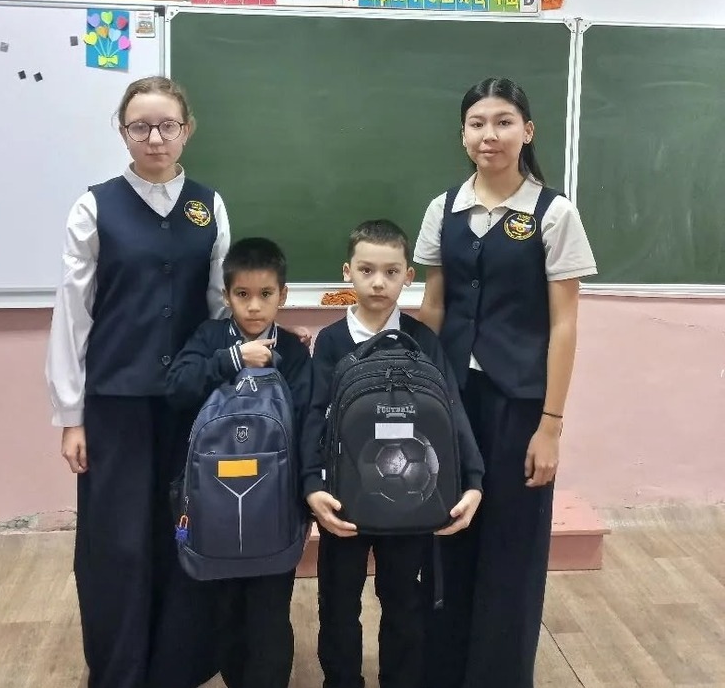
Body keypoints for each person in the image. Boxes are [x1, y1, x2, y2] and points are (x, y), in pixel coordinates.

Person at [45, 75, 230, 688]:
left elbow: (219, 306)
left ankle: (180, 664)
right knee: (117, 541)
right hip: (115, 403)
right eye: (140, 126)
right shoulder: (95, 206)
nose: (155, 138)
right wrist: (71, 416)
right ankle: (120, 668)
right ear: (122, 132)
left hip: (189, 403)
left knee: (185, 528)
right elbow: (73, 315)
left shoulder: (209, 205)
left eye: (167, 125)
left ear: (187, 130)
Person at [414, 77, 598, 688]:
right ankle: (443, 672)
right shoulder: (443, 209)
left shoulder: (554, 213)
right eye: (477, 123)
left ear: (527, 131)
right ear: (462, 133)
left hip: (519, 403)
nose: (488, 135)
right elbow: (434, 307)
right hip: (451, 399)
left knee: (512, 546)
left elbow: (564, 324)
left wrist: (551, 425)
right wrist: (417, 391)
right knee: (448, 533)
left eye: (503, 122)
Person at [300, 219, 484, 688]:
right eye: (366, 270)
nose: (378, 283)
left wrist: (473, 480)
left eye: (391, 271)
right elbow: (314, 415)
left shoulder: (423, 340)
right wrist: (312, 485)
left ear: (409, 276)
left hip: (412, 502)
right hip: (344, 500)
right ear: (347, 272)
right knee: (337, 604)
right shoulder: (331, 342)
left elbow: (452, 411)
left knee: (404, 602)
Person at [166, 236, 313, 688]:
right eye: (242, 294)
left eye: (265, 294)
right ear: (226, 295)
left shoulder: (293, 351)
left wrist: (308, 493)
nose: (253, 306)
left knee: (270, 613)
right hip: (214, 507)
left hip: (276, 506)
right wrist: (232, 358)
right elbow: (177, 387)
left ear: (282, 295)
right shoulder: (210, 338)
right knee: (225, 609)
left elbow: (308, 420)